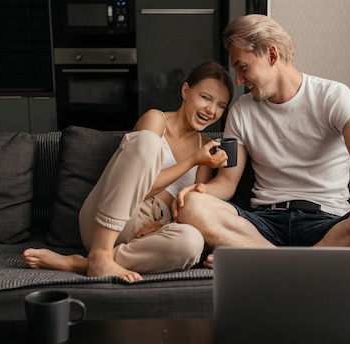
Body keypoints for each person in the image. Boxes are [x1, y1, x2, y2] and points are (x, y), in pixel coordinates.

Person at [175, 15, 350, 268]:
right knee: (192, 205)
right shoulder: (241, 111)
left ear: (272, 55)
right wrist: (201, 192)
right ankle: (298, 265)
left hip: (327, 225)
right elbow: (227, 182)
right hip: (263, 224)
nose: (238, 80)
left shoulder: (334, 97)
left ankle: (266, 263)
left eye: (242, 67)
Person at [22, 61, 234, 282]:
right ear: (185, 91)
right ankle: (101, 252)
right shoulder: (156, 120)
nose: (211, 110)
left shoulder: (207, 145)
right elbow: (137, 189)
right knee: (147, 141)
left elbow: (190, 207)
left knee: (192, 242)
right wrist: (192, 160)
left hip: (150, 235)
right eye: (206, 97)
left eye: (221, 105)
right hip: (109, 218)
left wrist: (165, 226)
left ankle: (86, 263)